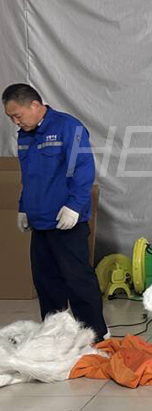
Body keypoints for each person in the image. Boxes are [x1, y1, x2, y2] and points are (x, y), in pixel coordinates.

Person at [2, 84, 107, 342]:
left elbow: (83, 168)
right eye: (10, 118)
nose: (15, 122)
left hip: (66, 221)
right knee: (46, 281)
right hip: (40, 222)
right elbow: (29, 177)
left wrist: (75, 206)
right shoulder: (25, 136)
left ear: (35, 105)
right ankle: (54, 334)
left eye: (17, 115)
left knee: (77, 279)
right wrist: (24, 207)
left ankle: (95, 333)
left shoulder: (68, 127)